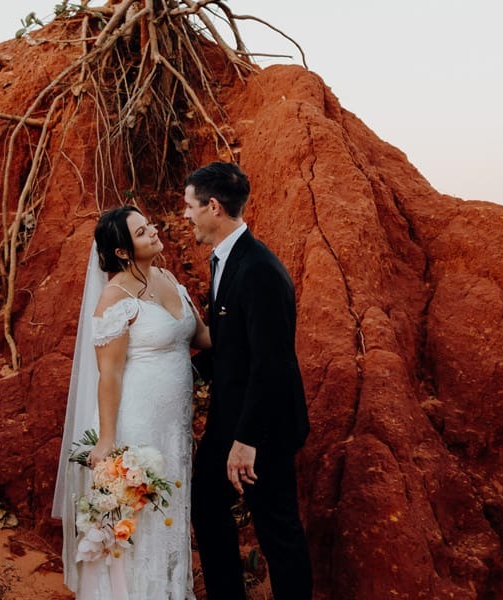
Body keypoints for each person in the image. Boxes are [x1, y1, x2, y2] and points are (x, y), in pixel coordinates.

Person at [52, 205, 209, 599]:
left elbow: (203, 337)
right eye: (142, 232)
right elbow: (110, 374)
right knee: (140, 521)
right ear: (122, 251)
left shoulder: (168, 277)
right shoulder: (115, 297)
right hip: (135, 425)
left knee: (169, 513)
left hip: (173, 425)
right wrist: (107, 439)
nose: (154, 232)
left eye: (150, 225)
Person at [183, 162, 312, 599]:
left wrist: (247, 440)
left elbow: (270, 364)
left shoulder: (258, 270)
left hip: (264, 429)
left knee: (277, 529)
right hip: (231, 420)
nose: (186, 215)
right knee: (206, 503)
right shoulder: (225, 260)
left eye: (190, 206)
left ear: (213, 207)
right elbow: (230, 347)